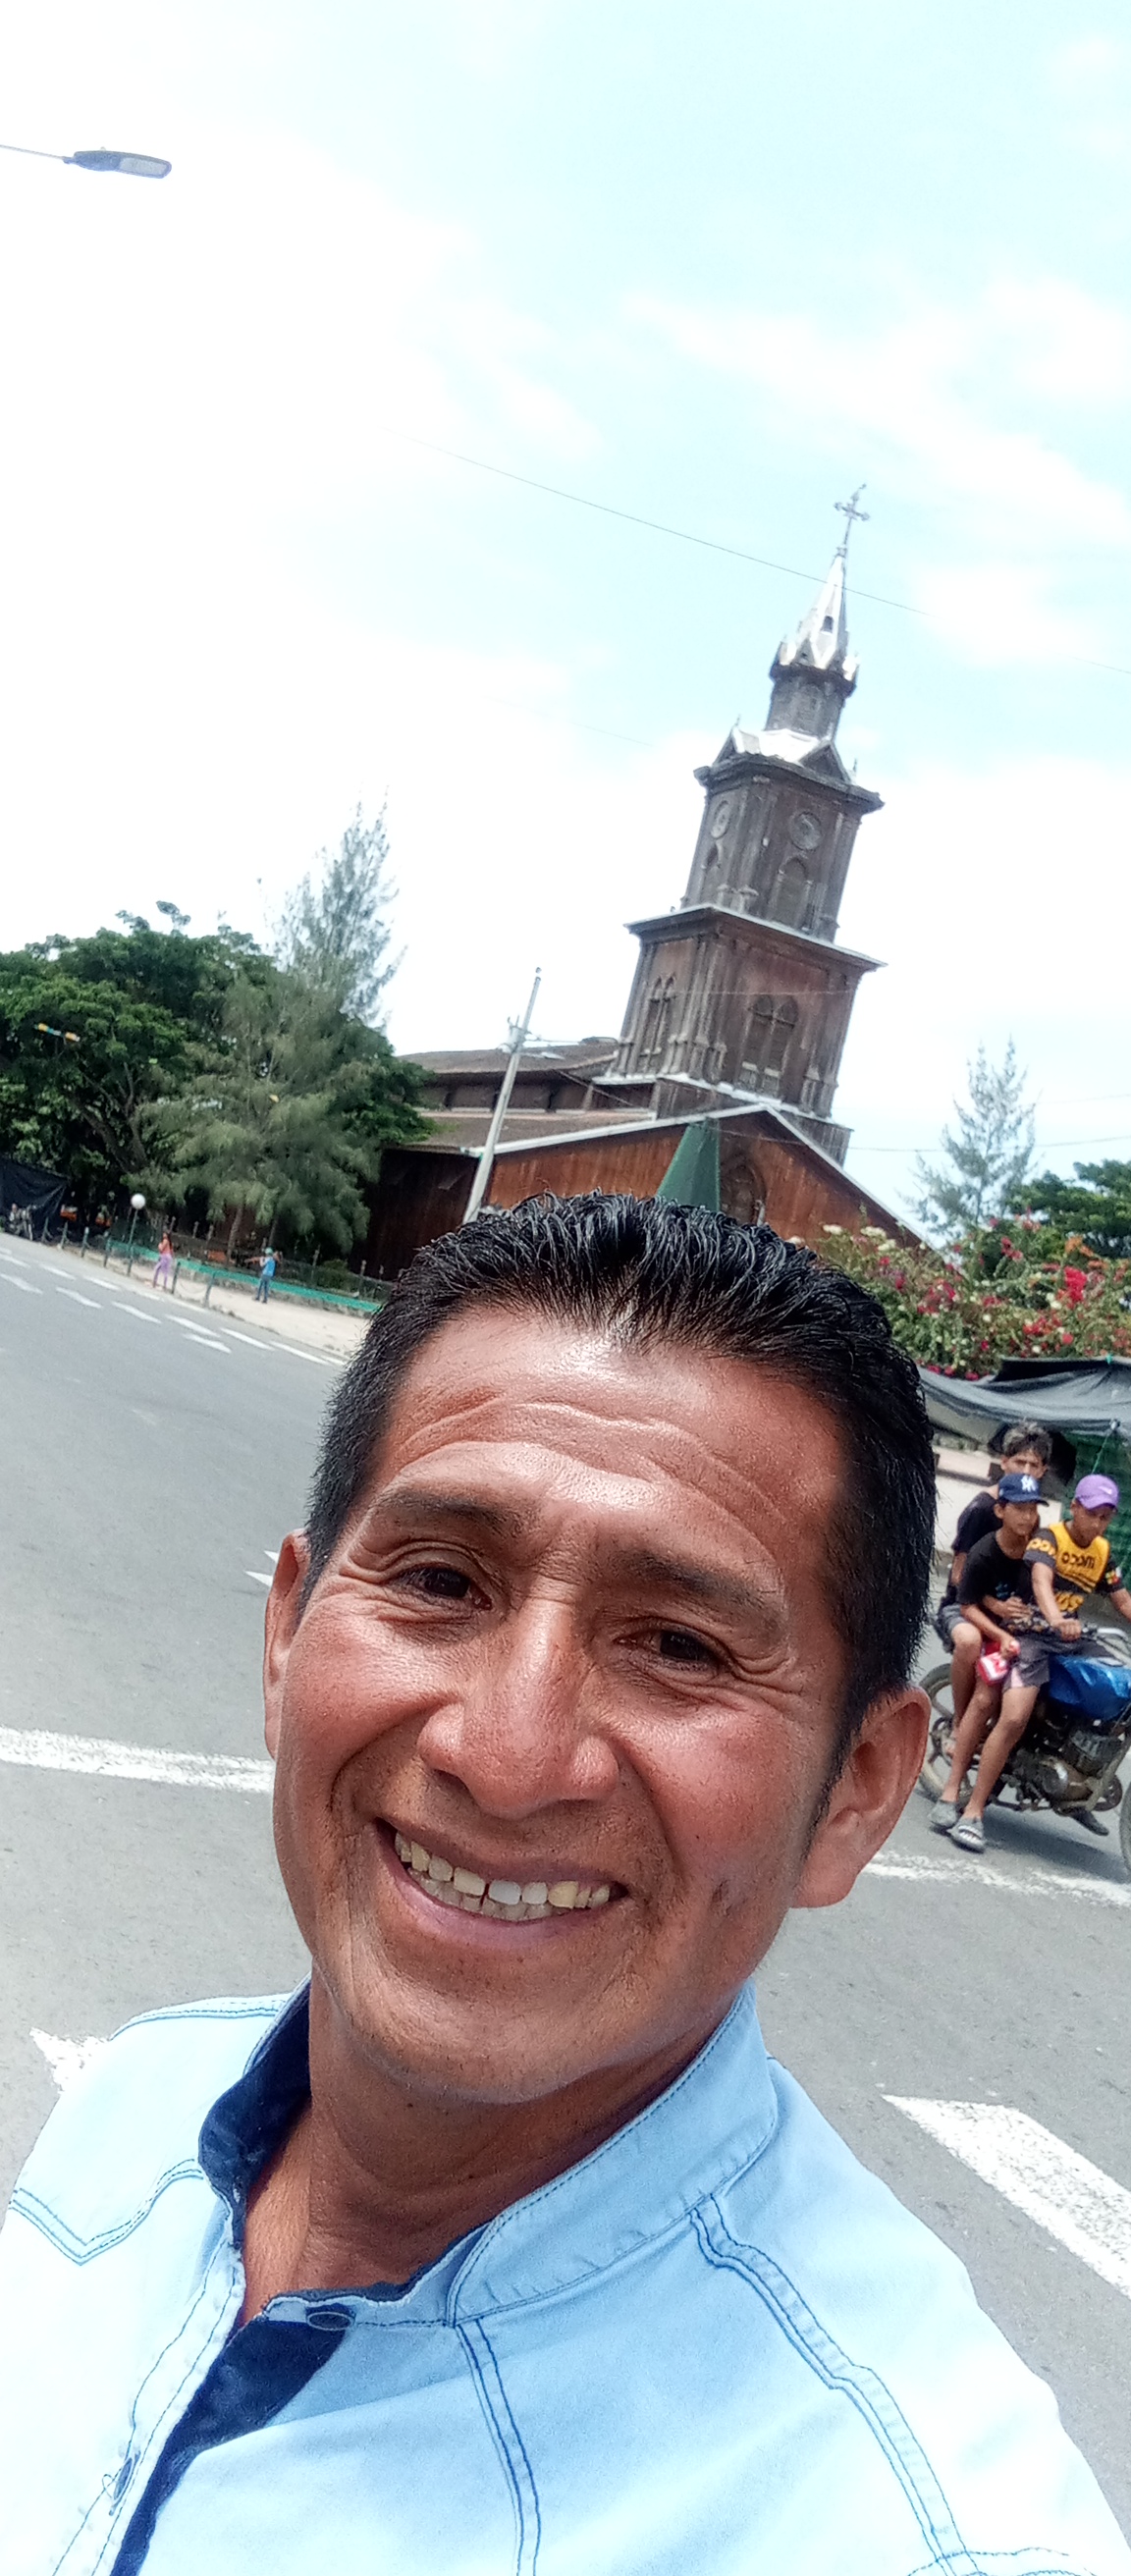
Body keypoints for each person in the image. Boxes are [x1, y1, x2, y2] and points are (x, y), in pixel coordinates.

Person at [3, 1199, 1128, 2576]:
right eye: (439, 1579)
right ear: (286, 1635)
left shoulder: (914, 2530)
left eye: (681, 1646)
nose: (506, 1756)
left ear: (859, 1790)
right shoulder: (136, 2103)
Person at [942, 1474, 1131, 1854]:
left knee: (1118, 1688)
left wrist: (1067, 1626)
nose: (1097, 1523)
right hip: (1030, 1636)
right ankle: (972, 1812)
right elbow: (1042, 1581)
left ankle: (1082, 1782)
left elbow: (1122, 1599)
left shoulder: (1103, 1552)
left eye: (1105, 1517)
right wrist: (1055, 1618)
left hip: (1072, 1639)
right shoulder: (1048, 1539)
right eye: (1092, 1513)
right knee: (1012, 1718)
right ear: (1075, 1507)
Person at [931, 1472, 1045, 1842]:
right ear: (1000, 1510)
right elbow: (967, 1606)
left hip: (1032, 1637)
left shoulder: (1040, 1550)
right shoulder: (983, 1552)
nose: (1028, 1517)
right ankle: (951, 1792)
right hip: (994, 1633)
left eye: (1033, 1509)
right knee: (985, 1698)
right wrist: (1001, 1631)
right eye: (1020, 1509)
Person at [934, 1422, 1051, 1731]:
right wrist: (996, 1605)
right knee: (970, 1642)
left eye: (1034, 1465)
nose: (1026, 1471)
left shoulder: (1032, 1514)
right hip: (964, 1605)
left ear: (1043, 1471)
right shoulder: (981, 1510)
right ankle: (960, 1724)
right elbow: (958, 1576)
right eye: (1020, 1462)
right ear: (1004, 1462)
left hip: (1009, 1610)